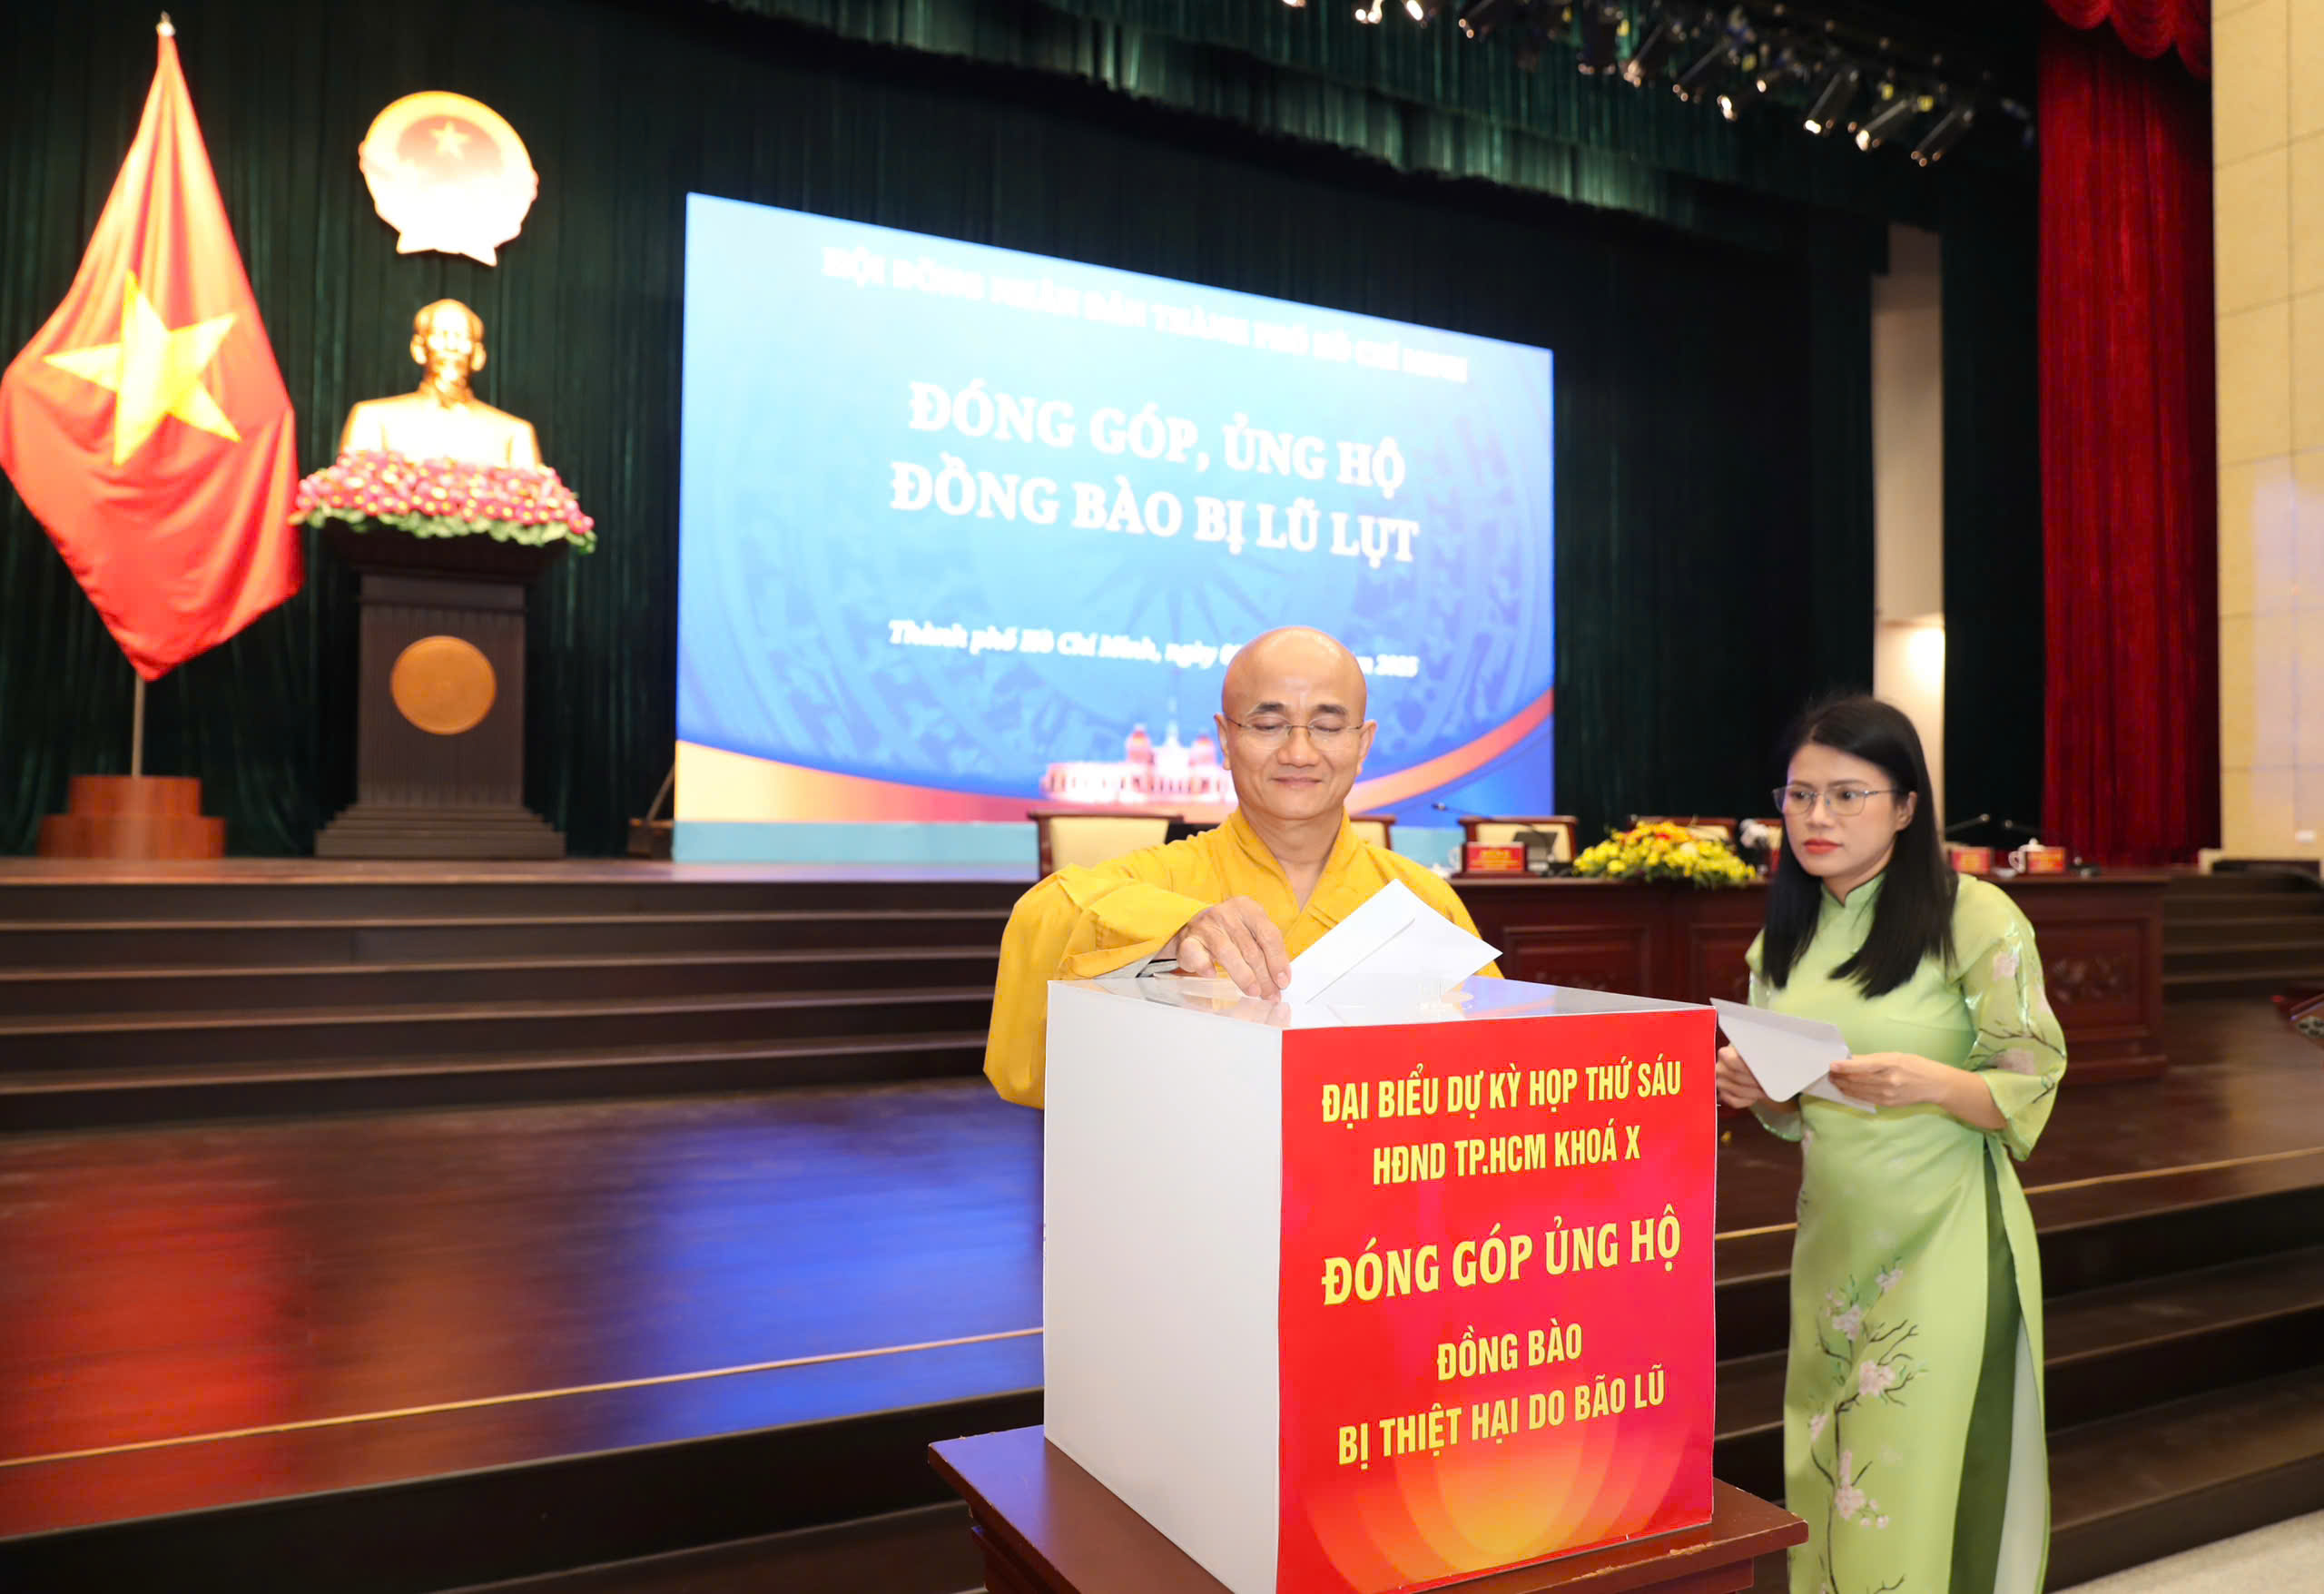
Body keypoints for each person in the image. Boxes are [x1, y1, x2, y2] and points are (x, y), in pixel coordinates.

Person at [1716, 695, 2065, 1594]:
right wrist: (1756, 1090)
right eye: (1799, 796)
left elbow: (2032, 1073)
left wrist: (1934, 1084)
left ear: (1906, 807)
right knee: (1826, 1466)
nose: (1817, 817)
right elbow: (1792, 1111)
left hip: (1945, 1236)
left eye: (1847, 795)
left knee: (1904, 1475)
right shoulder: (1782, 939)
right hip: (1833, 1241)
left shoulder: (1973, 916)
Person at [983, 626, 1496, 1107]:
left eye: (1327, 727)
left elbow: (1495, 1074)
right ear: (1226, 741)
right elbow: (1041, 919)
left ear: (1362, 745)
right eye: (1269, 726)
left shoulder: (1421, 900)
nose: (1299, 753)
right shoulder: (1163, 882)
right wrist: (1172, 931)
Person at [338, 300, 542, 467]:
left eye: (462, 337)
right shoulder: (373, 419)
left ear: (479, 355)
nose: (451, 346)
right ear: (419, 349)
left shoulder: (513, 433)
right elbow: (352, 491)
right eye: (441, 335)